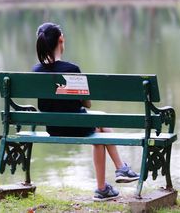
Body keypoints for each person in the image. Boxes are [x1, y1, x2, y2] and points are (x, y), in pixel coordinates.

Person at [32, 22, 139, 201]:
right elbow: (87, 104)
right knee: (99, 127)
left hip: (53, 127)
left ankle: (107, 183)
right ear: (61, 40)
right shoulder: (71, 69)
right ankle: (117, 172)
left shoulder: (35, 71)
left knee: (99, 125)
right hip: (76, 126)